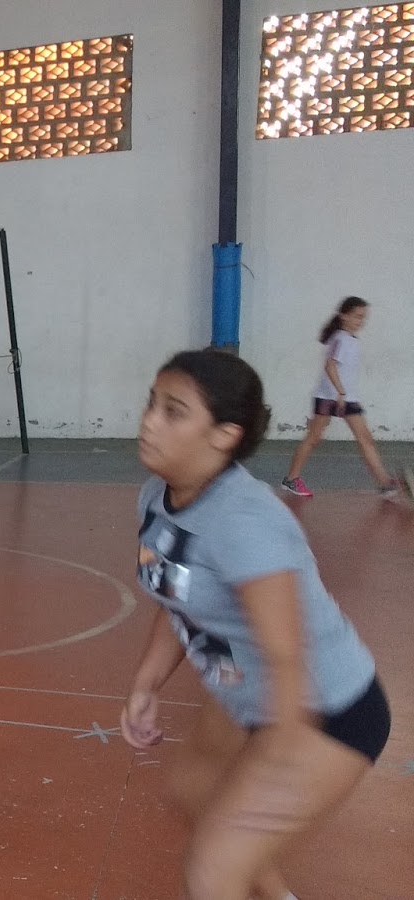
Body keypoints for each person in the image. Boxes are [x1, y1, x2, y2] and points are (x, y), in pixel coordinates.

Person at [125, 348, 390, 900]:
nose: (150, 419)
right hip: (244, 692)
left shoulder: (245, 522)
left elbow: (285, 650)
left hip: (321, 710)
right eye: (153, 402)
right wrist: (147, 684)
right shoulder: (158, 497)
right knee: (193, 792)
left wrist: (279, 754)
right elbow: (174, 599)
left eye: (174, 411)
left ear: (224, 435)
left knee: (213, 871)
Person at [280, 297, 402, 499]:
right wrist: (340, 392)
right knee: (313, 439)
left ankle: (385, 484)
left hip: (348, 398)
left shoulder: (350, 339)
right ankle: (291, 479)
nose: (360, 321)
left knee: (366, 440)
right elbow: (330, 365)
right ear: (344, 316)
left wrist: (345, 394)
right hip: (329, 398)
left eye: (363, 318)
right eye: (357, 316)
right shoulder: (341, 338)